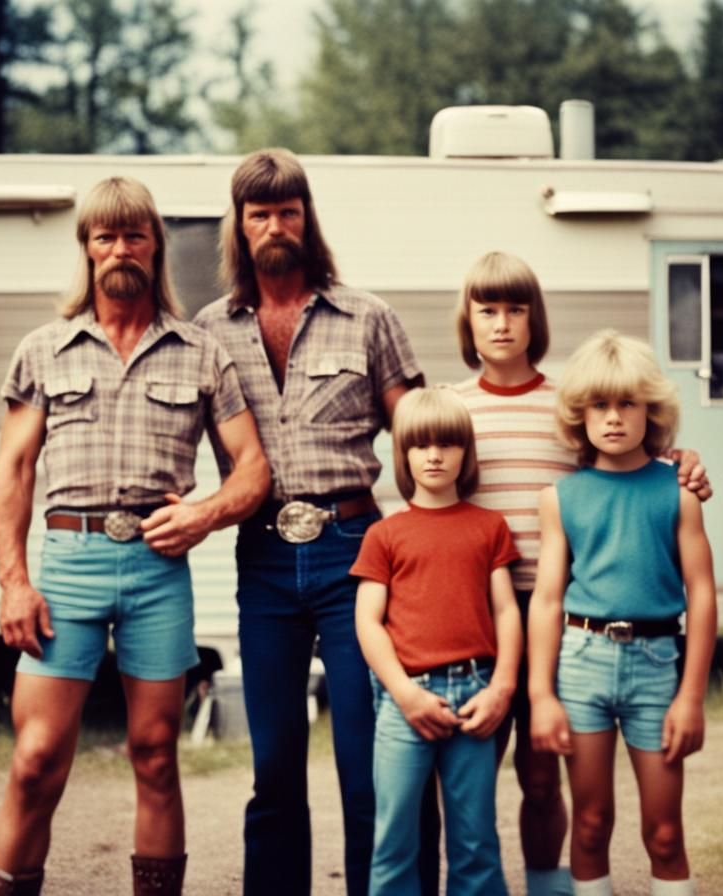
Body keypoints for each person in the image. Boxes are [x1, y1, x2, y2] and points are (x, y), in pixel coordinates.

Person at [0, 176, 270, 896]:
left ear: (154, 246)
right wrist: (14, 582)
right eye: (104, 236)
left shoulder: (200, 352)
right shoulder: (44, 350)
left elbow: (253, 471)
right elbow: (12, 472)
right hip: (67, 567)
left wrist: (203, 514)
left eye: (134, 235)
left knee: (155, 752)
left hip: (155, 572)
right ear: (87, 249)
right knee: (38, 757)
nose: (119, 249)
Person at [193, 148, 424, 896]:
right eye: (259, 214)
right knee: (276, 767)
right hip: (261, 559)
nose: (274, 226)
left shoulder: (369, 317)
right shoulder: (207, 332)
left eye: (288, 211)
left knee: (368, 763)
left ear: (306, 218)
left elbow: (425, 432)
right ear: (240, 226)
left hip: (357, 551)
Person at [450, 251, 711, 896]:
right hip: (479, 617)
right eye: (488, 310)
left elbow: (630, 459)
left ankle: (547, 886)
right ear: (469, 321)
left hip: (560, 612)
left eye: (517, 310)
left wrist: (682, 460)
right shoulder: (450, 409)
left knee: (545, 779)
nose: (504, 324)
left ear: (535, 319)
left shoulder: (567, 401)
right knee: (469, 780)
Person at [526, 329, 718, 896]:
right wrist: (541, 695)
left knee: (663, 833)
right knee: (589, 826)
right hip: (581, 665)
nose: (613, 417)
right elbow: (548, 598)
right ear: (579, 415)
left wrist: (692, 695)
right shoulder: (560, 499)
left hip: (658, 665)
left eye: (628, 403)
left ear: (650, 410)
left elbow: (702, 593)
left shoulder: (678, 492)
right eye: (600, 405)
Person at [352, 387, 522, 896]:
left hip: (476, 695)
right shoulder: (385, 534)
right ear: (403, 455)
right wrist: (404, 693)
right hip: (405, 700)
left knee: (475, 840)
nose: (433, 456)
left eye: (446, 445)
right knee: (395, 838)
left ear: (465, 454)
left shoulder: (489, 527)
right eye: (421, 445)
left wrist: (502, 689)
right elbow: (368, 622)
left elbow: (506, 611)